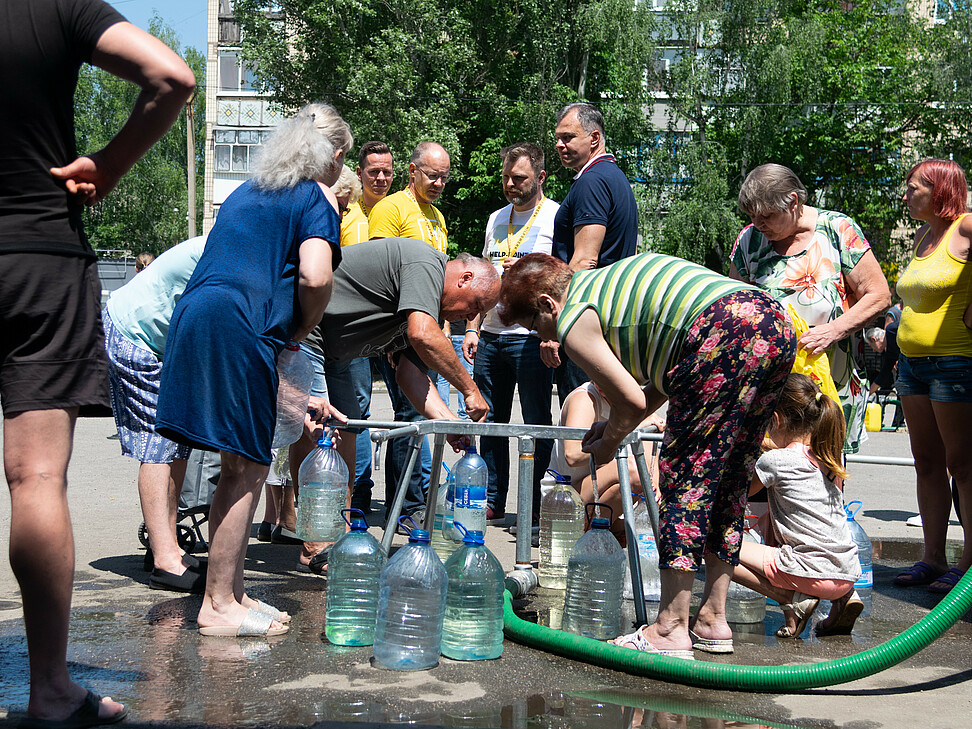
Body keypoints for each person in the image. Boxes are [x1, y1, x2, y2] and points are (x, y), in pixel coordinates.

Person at [1, 0, 194, 722]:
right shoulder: (52, 7)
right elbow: (171, 77)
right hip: (38, 256)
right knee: (37, 476)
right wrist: (109, 165)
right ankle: (51, 686)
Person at [499, 252, 795, 658]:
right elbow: (662, 381)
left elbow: (631, 403)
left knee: (685, 484)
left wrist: (608, 442)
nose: (541, 337)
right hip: (772, 321)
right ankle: (712, 618)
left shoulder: (570, 317)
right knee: (728, 481)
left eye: (534, 326)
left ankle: (670, 627)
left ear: (548, 304)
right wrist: (616, 424)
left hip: (721, 326)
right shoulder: (606, 287)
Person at [155, 103, 350, 637]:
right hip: (243, 328)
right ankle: (218, 605)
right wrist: (300, 330)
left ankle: (233, 592)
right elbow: (315, 277)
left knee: (237, 463)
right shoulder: (315, 196)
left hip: (196, 316)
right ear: (333, 156)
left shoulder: (246, 191)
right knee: (247, 467)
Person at [732, 163, 891, 454]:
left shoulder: (837, 230)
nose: (758, 224)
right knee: (760, 481)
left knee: (822, 480)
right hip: (768, 386)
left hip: (828, 384)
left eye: (767, 215)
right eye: (752, 216)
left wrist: (833, 330)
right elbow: (733, 306)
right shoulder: (749, 240)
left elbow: (879, 295)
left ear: (793, 202)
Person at [103, 236, 208, 592]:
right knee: (158, 442)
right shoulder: (226, 250)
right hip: (136, 335)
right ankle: (164, 559)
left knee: (178, 439)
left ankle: (169, 547)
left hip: (167, 342)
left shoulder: (241, 245)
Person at [464, 142, 559, 527]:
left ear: (540, 177)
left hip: (531, 336)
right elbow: (483, 280)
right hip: (490, 334)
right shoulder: (495, 219)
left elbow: (563, 280)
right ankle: (492, 498)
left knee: (536, 422)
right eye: (505, 177)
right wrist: (472, 326)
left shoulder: (556, 217)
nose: (509, 184)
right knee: (491, 421)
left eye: (518, 178)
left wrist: (553, 335)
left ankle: (535, 504)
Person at [730, 374, 863, 642]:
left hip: (811, 573)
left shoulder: (775, 461)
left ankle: (791, 599)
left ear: (776, 420)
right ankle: (844, 600)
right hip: (848, 573)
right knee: (774, 522)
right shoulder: (829, 459)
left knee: (715, 545)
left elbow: (739, 494)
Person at [892, 158, 972, 595]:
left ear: (940, 189)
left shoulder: (966, 227)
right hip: (913, 365)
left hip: (956, 363)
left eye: (912, 188)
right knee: (926, 463)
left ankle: (968, 565)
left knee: (962, 465)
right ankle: (932, 558)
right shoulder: (925, 235)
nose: (905, 196)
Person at [369, 141, 457, 521]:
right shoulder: (392, 208)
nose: (438, 183)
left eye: (444, 177)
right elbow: (379, 274)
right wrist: (392, 334)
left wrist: (447, 328)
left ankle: (415, 503)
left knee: (423, 417)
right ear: (412, 171)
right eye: (432, 175)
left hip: (431, 329)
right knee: (410, 417)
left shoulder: (437, 216)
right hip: (402, 330)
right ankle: (406, 508)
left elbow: (442, 283)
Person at [548, 102, 639, 403]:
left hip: (586, 319)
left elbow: (585, 259)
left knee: (581, 426)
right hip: (609, 316)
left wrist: (554, 325)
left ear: (595, 139)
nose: (560, 144)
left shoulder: (592, 182)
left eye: (569, 137)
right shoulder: (612, 177)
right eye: (558, 138)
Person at [342, 141, 395, 512]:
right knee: (354, 410)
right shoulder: (346, 213)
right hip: (352, 329)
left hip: (392, 327)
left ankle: (403, 500)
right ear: (359, 173)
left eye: (386, 172)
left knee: (407, 412)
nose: (380, 178)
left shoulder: (400, 212)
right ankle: (357, 490)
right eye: (373, 171)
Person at [550, 382, 665, 543]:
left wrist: (655, 488)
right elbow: (573, 456)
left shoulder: (637, 398)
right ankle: (575, 543)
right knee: (632, 471)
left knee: (648, 485)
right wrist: (626, 430)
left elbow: (648, 470)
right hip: (563, 497)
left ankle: (601, 538)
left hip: (602, 498)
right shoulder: (585, 399)